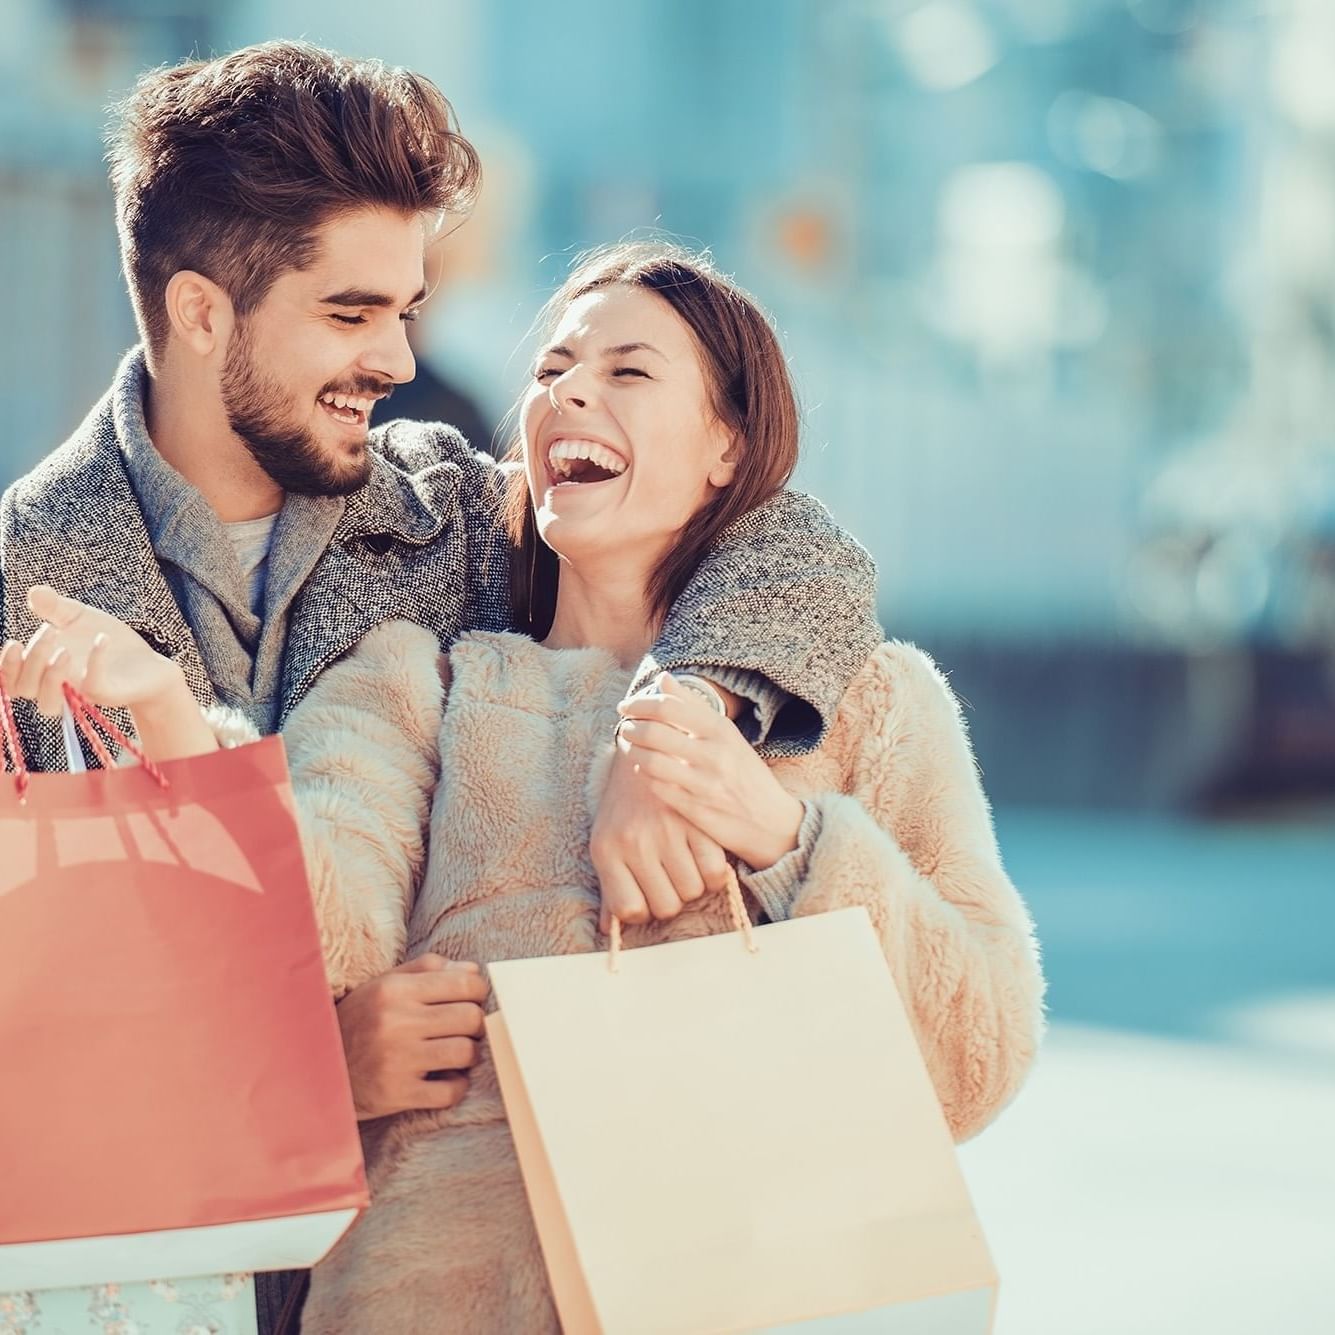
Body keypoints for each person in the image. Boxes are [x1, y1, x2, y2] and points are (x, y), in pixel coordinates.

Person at [3, 242, 1046, 1333]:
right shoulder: (415, 686)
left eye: (628, 371)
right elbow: (310, 949)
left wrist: (784, 838)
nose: (571, 392)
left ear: (727, 445)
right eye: (551, 370)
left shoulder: (870, 704)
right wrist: (173, 723)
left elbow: (977, 1055)